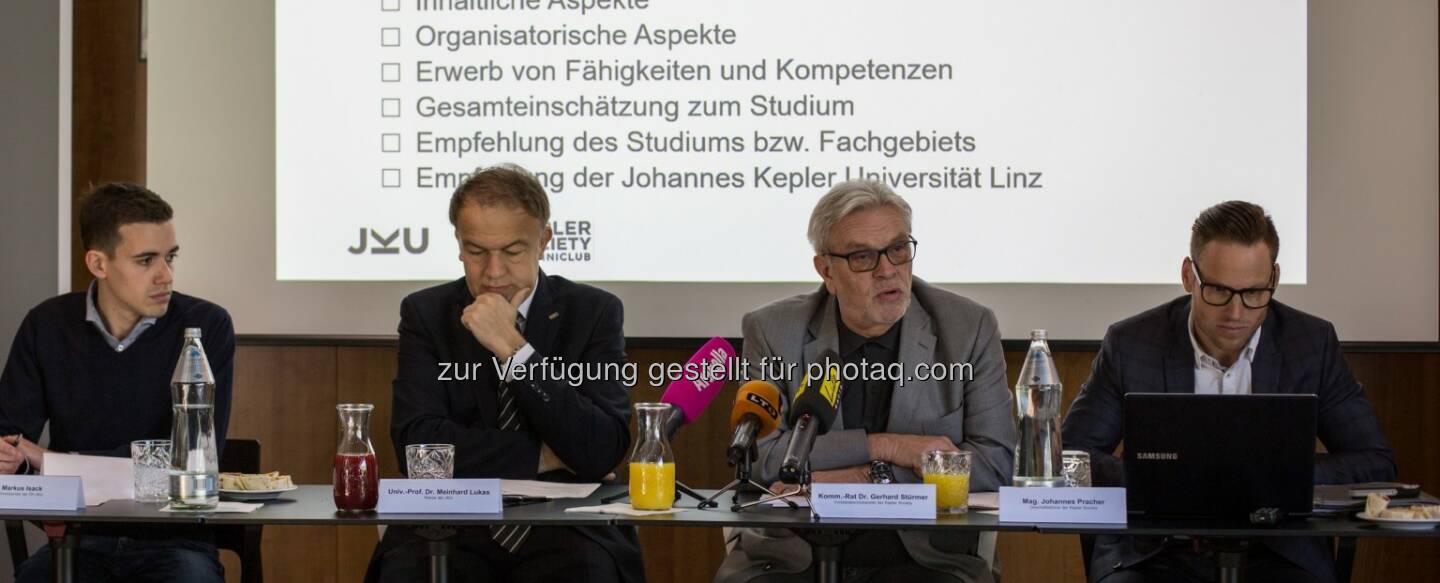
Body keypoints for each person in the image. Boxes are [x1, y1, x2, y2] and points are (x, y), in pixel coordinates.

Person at [1061, 200, 1396, 583]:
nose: (1237, 313)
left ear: (1274, 278)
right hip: (1156, 550)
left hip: (1279, 548)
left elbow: (1376, 462)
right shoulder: (1132, 343)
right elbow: (1071, 456)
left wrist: (1273, 476)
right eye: (1218, 291)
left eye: (1254, 292)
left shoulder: (1311, 344)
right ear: (1189, 276)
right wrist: (1167, 477)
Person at [716, 180, 1016, 583]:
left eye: (898, 249)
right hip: (794, 551)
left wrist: (871, 478)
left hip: (922, 556)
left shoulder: (967, 327)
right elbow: (763, 460)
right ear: (827, 271)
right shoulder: (772, 330)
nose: (888, 269)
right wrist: (884, 446)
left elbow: (996, 463)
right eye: (863, 257)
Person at [365, 164, 644, 583]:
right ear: (458, 244)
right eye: (476, 251)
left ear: (543, 241)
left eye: (512, 251)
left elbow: (601, 449)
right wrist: (544, 454)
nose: (493, 272)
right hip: (450, 524)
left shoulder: (593, 312)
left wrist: (513, 349)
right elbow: (418, 450)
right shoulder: (426, 313)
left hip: (569, 525)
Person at [0, 182, 234, 583]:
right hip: (76, 537)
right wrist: (27, 462)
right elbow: (10, 444)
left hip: (174, 540)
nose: (166, 275)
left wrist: (52, 461)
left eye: (170, 257)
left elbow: (189, 456)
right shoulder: (47, 325)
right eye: (146, 260)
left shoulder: (205, 327)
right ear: (98, 263)